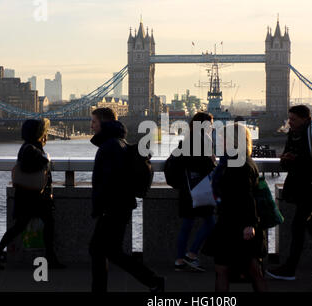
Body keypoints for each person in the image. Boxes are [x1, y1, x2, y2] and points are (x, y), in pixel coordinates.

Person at [88, 107, 164, 292]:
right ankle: (153, 281)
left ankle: (153, 280)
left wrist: (103, 207)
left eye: (94, 122)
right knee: (109, 251)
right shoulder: (119, 142)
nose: (91, 126)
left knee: (100, 250)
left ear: (104, 123)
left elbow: (109, 181)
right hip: (121, 206)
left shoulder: (109, 147)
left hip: (112, 208)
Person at [266, 105, 312, 280]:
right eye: (289, 118)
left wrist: (297, 159)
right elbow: (289, 165)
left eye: (294, 119)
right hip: (301, 189)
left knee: (298, 227)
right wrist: (286, 160)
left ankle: (290, 269)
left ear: (305, 119)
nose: (290, 122)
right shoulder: (293, 135)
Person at [0, 118, 65, 269]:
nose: (45, 135)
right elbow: (38, 164)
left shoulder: (28, 146)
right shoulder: (30, 148)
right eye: (43, 132)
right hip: (33, 196)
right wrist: (45, 158)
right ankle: (50, 257)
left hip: (28, 195)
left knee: (23, 226)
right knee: (41, 224)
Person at [203, 122, 268, 292]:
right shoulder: (238, 161)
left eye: (222, 138)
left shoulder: (237, 165)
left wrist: (249, 224)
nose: (219, 142)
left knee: (225, 270)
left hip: (237, 224)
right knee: (251, 270)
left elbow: (246, 196)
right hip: (232, 221)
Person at [165, 112, 216, 272]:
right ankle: (192, 254)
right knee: (210, 223)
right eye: (211, 124)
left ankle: (179, 261)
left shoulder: (187, 140)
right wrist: (213, 161)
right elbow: (205, 167)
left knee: (186, 225)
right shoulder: (203, 141)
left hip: (186, 190)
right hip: (199, 189)